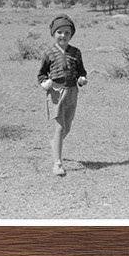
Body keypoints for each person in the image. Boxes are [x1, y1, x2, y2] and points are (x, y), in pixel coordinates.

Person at [37, 13, 88, 176]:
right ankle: (57, 163)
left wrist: (82, 79)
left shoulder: (76, 52)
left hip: (72, 91)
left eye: (67, 32)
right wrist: (45, 83)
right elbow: (42, 74)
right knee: (59, 127)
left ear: (71, 34)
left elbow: (82, 72)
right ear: (53, 33)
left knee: (67, 126)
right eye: (59, 32)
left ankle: (54, 145)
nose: (63, 35)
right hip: (56, 93)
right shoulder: (49, 53)